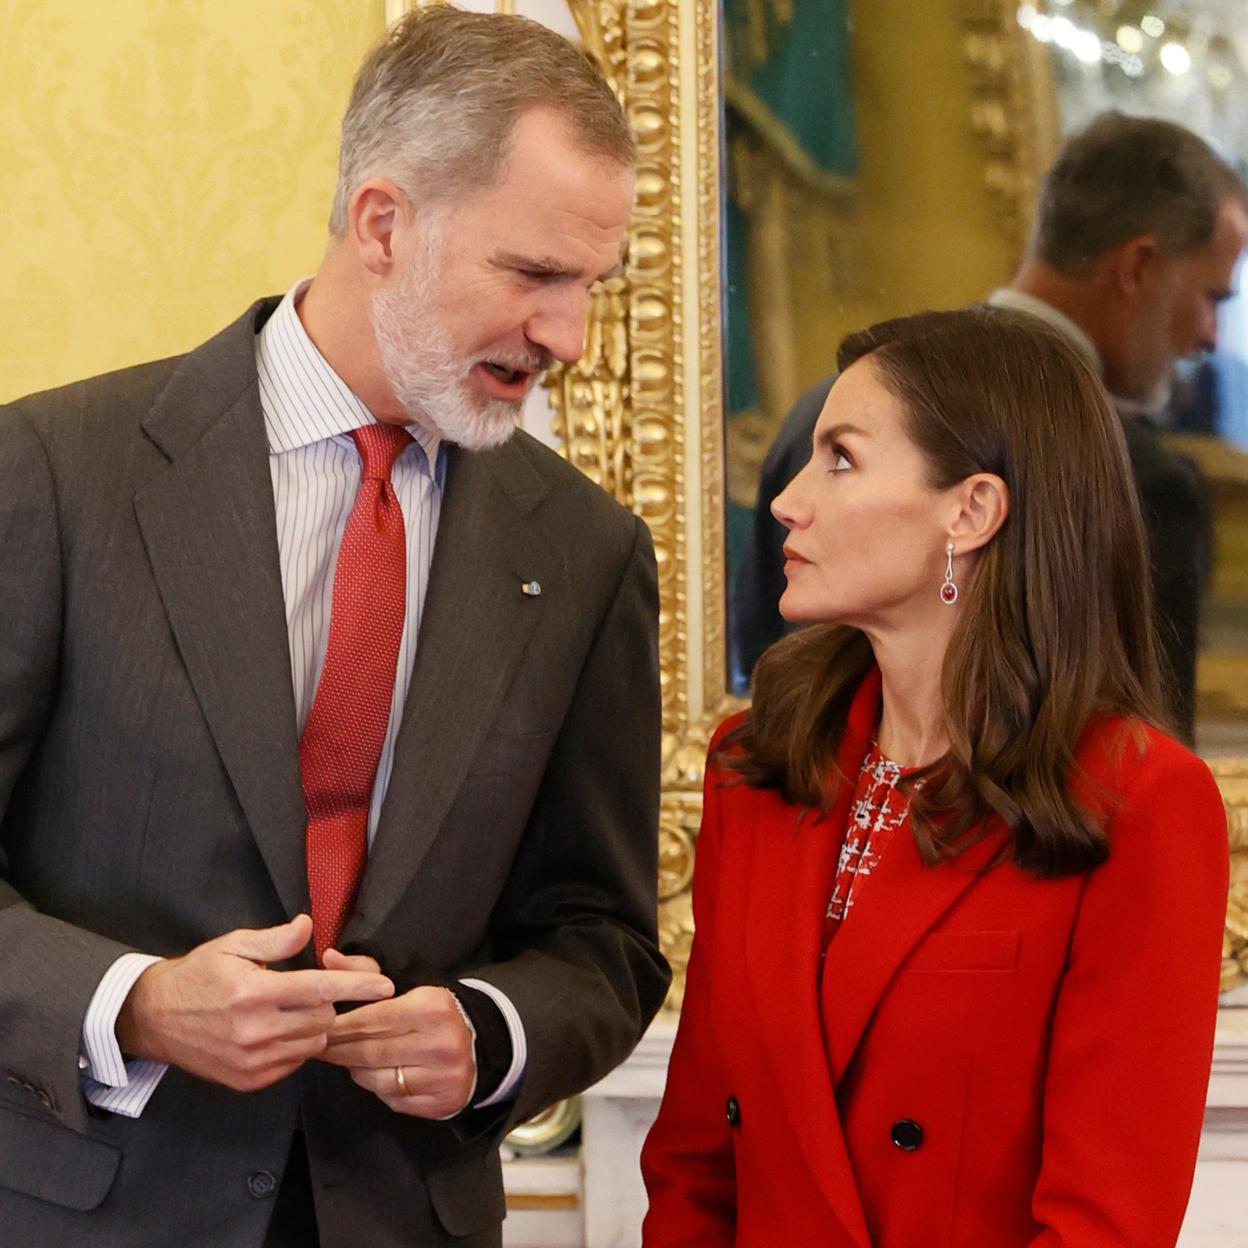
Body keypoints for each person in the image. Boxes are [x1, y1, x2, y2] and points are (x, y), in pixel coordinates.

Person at [0, 9, 669, 1246]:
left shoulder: (585, 553)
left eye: (590, 286)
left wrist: (487, 1032)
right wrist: (133, 1005)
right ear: (382, 224)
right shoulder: (52, 473)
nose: (567, 338)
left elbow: (602, 937)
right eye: (532, 276)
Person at [642, 307, 1229, 1247]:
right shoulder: (758, 765)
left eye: (841, 458)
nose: (789, 500)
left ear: (973, 510)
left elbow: (1104, 1225)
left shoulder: (1138, 802)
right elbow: (693, 1164)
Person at [732, 112, 1248, 741]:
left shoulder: (819, 405)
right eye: (1212, 297)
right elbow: (1136, 750)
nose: (1209, 336)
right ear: (1138, 267)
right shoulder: (1137, 478)